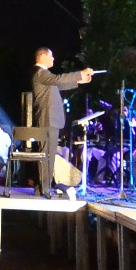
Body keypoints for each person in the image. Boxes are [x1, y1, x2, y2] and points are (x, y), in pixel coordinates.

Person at [30, 48, 94, 197]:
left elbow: (58, 84)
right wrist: (80, 73)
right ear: (42, 56)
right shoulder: (40, 72)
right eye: (51, 56)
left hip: (50, 119)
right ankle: (44, 188)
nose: (53, 59)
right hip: (47, 119)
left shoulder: (44, 76)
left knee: (48, 153)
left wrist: (78, 81)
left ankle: (42, 186)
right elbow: (58, 79)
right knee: (47, 154)